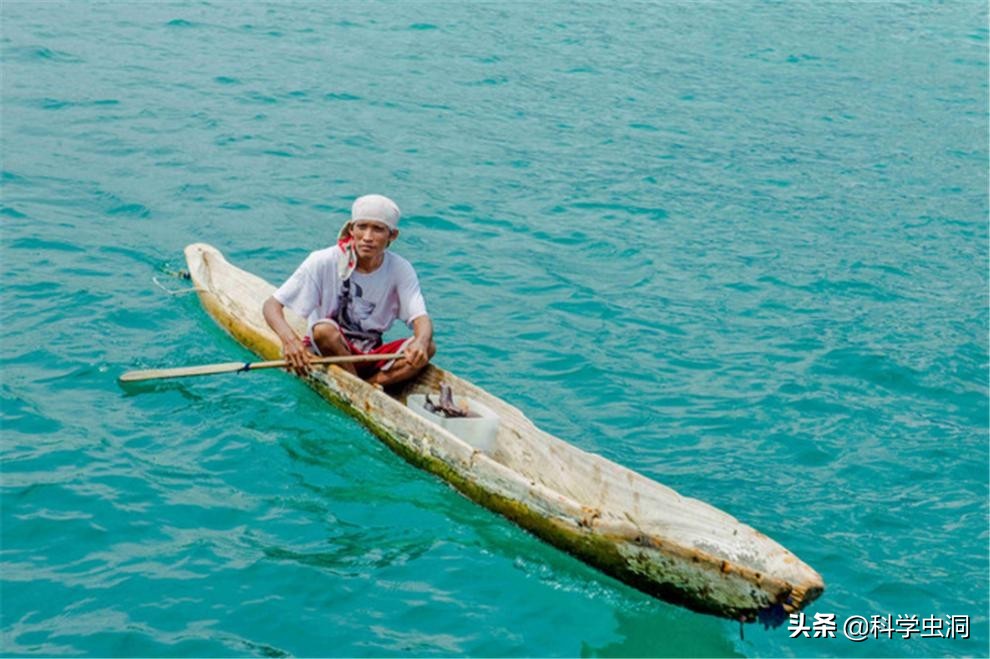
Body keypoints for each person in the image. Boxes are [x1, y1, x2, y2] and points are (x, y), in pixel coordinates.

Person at [262, 194, 435, 386]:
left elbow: (421, 319)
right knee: (323, 331)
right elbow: (271, 306)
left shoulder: (401, 268)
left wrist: (420, 342)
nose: (367, 237)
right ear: (352, 229)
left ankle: (367, 384)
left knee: (428, 347)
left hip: (369, 352)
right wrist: (290, 342)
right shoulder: (323, 260)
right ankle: (361, 386)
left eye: (378, 229)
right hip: (328, 349)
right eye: (362, 227)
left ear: (392, 235)